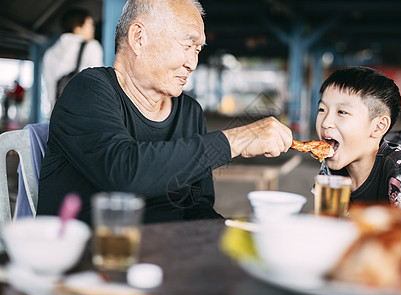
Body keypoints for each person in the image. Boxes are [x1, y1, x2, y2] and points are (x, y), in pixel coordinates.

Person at [37, 0, 292, 225]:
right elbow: (123, 173)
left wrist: (234, 234)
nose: (192, 63)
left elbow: (197, 207)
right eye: (187, 45)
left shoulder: (189, 112)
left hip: (167, 258)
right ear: (138, 38)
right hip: (93, 261)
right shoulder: (88, 90)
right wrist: (237, 140)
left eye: (198, 50)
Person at [316, 66, 401, 205]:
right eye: (322, 109)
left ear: (378, 126)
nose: (326, 122)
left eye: (342, 112)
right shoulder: (330, 167)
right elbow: (326, 221)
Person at [42, 8, 103, 118]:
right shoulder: (92, 47)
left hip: (56, 116)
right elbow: (97, 87)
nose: (93, 28)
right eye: (89, 24)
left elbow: (50, 90)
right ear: (77, 27)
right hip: (83, 116)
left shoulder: (49, 53)